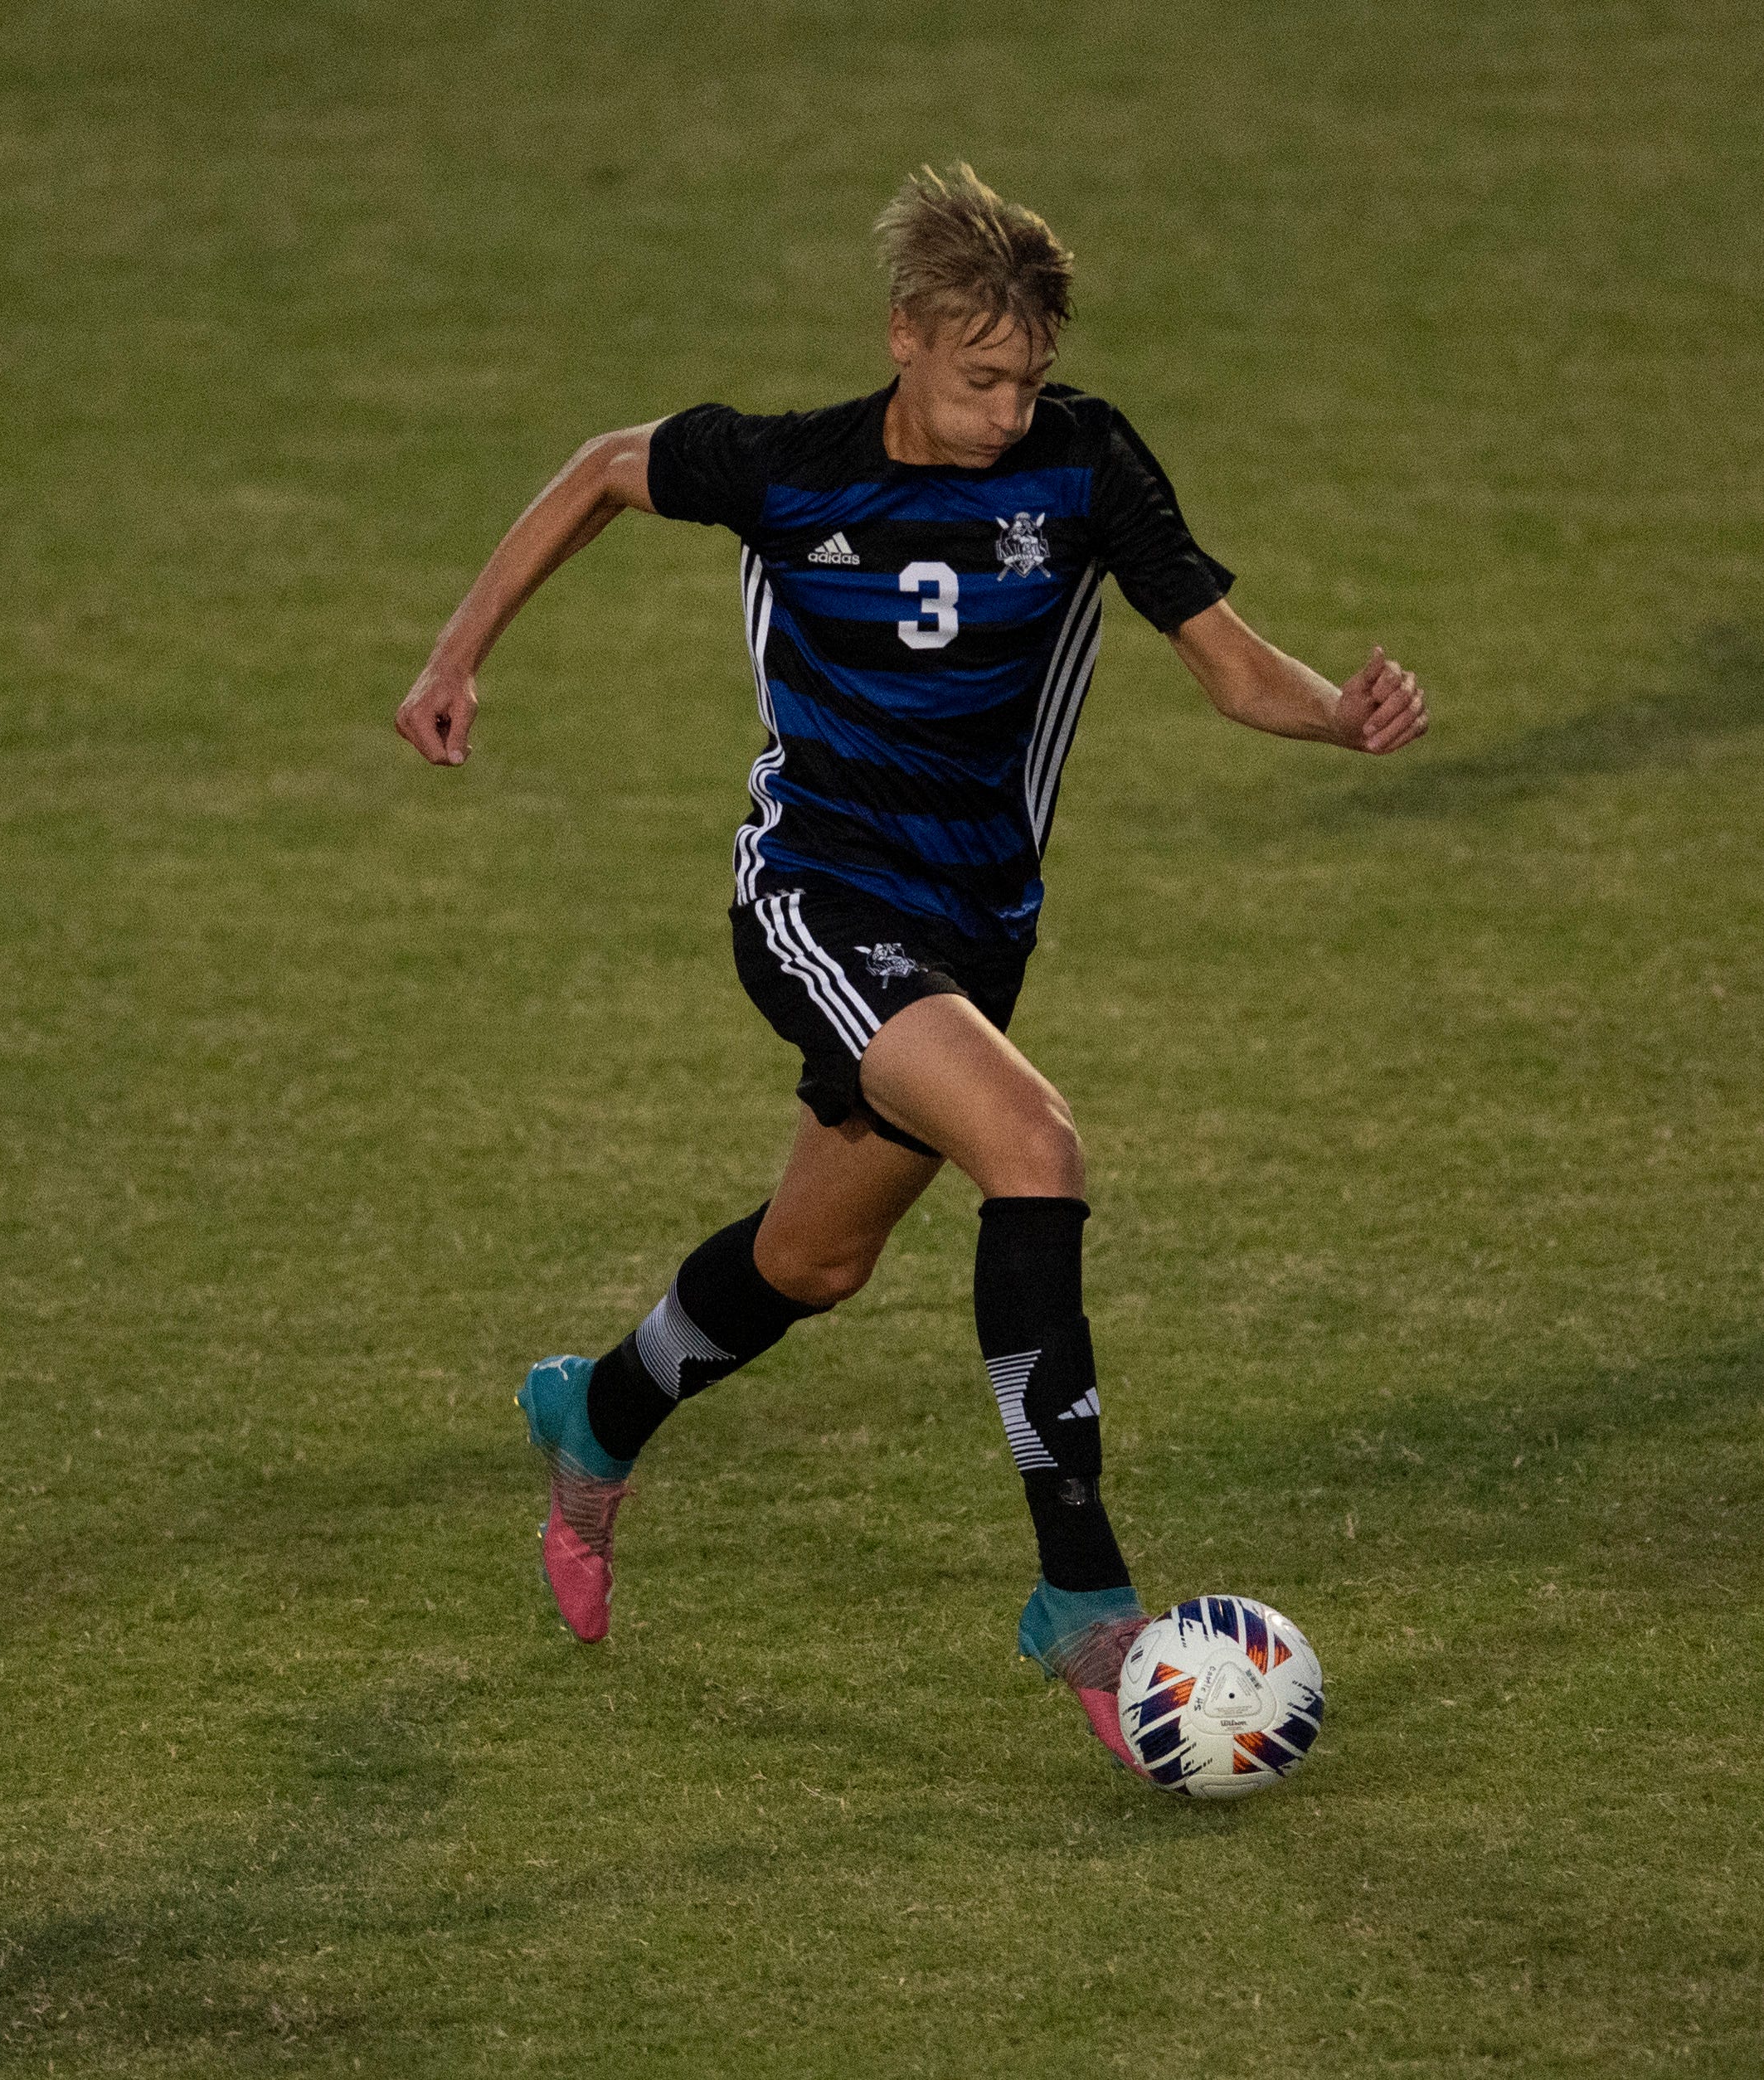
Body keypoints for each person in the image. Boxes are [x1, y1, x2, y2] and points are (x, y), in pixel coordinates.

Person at [393, 167, 1426, 1767]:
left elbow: (1224, 664)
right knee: (1036, 1150)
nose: (1009, 409)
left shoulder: (1083, 462)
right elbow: (604, 470)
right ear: (903, 339)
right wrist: (454, 656)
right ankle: (1078, 1595)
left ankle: (592, 1413)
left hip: (972, 932)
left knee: (812, 1266)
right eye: (976, 378)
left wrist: (1334, 714)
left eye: (1026, 376)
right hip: (813, 894)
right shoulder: (786, 470)